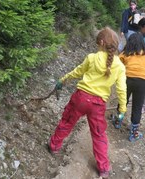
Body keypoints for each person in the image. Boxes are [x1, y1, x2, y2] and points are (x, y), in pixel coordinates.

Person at [48, 27, 127, 178]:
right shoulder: (120, 66)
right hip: (98, 105)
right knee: (99, 135)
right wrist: (122, 110)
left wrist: (62, 80)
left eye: (98, 43)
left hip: (80, 98)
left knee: (67, 122)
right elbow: (122, 89)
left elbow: (77, 71)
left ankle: (54, 146)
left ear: (102, 43)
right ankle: (103, 168)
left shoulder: (92, 58)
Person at [114, 33, 145, 142]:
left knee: (123, 102)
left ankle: (118, 121)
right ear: (142, 42)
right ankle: (134, 133)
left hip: (126, 80)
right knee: (137, 106)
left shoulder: (125, 53)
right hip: (141, 81)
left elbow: (117, 62)